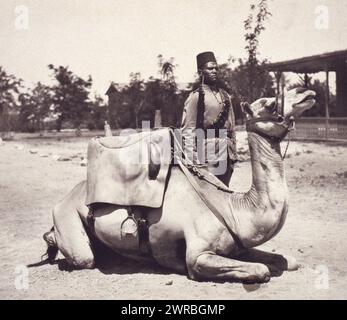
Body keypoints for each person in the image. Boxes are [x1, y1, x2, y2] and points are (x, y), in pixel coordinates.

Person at [180, 51, 237, 186]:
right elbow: (188, 130)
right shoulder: (196, 97)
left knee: (225, 191)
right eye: (210, 68)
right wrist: (192, 159)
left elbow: (232, 126)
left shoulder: (225, 95)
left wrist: (234, 152)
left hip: (226, 152)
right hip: (207, 153)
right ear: (201, 72)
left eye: (216, 68)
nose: (214, 71)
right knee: (210, 194)